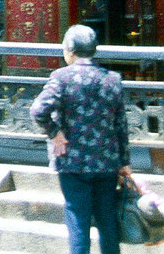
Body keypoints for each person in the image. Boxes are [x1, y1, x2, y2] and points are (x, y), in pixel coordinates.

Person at [30, 23, 132, 254]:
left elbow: (38, 110)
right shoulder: (112, 79)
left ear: (70, 50)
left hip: (72, 162)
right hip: (106, 162)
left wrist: (54, 133)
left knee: (78, 221)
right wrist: (124, 162)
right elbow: (121, 125)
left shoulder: (62, 77)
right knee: (108, 223)